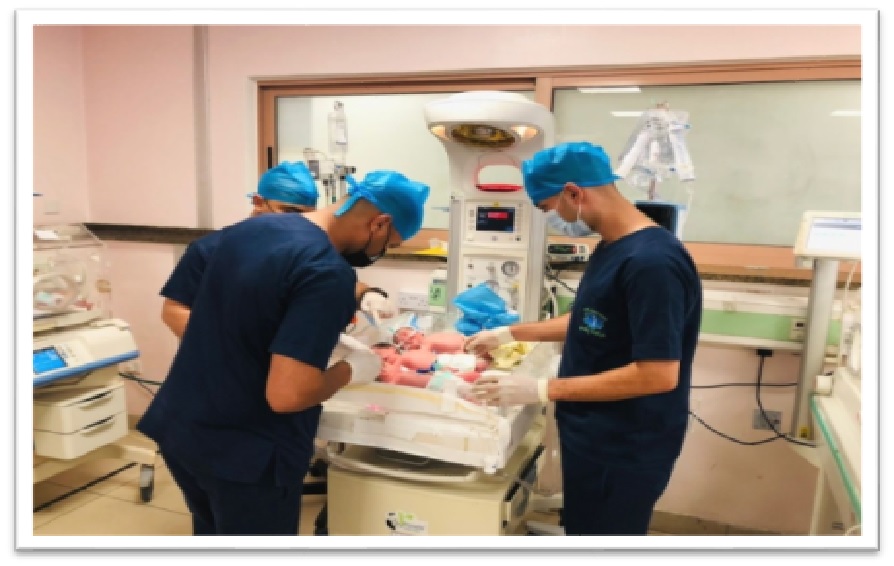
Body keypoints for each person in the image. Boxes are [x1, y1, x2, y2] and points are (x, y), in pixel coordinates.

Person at [137, 170, 430, 535]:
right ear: (380, 223)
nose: (380, 253)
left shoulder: (249, 231)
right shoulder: (327, 273)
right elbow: (288, 395)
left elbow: (252, 311)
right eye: (389, 244)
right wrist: (353, 367)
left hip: (183, 430)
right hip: (246, 454)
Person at [466, 141, 702, 536]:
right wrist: (509, 333)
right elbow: (593, 320)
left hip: (624, 443)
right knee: (583, 526)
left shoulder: (652, 263)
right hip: (593, 434)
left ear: (574, 193)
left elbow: (657, 375)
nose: (553, 219)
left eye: (548, 208)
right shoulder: (613, 246)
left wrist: (541, 389)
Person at [160, 161, 396, 339]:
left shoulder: (310, 248)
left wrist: (367, 294)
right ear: (258, 202)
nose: (299, 222)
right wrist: (228, 347)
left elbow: (326, 278)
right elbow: (174, 310)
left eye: (307, 215)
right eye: (290, 212)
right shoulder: (213, 248)